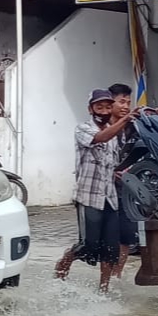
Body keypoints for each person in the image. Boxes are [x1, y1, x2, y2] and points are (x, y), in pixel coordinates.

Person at [54, 89, 134, 293]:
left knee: (111, 248)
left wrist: (119, 172)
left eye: (108, 107)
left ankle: (103, 289)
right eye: (100, 107)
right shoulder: (83, 129)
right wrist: (124, 121)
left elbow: (114, 161)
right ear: (90, 109)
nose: (105, 111)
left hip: (110, 197)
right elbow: (100, 138)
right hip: (88, 196)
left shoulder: (115, 134)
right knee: (88, 244)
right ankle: (64, 264)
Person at [108, 83, 140, 278]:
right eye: (121, 102)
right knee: (97, 240)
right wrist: (110, 173)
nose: (126, 106)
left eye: (128, 102)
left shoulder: (131, 129)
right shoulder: (98, 128)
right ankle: (64, 265)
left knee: (126, 236)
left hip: (125, 189)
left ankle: (116, 276)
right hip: (101, 190)